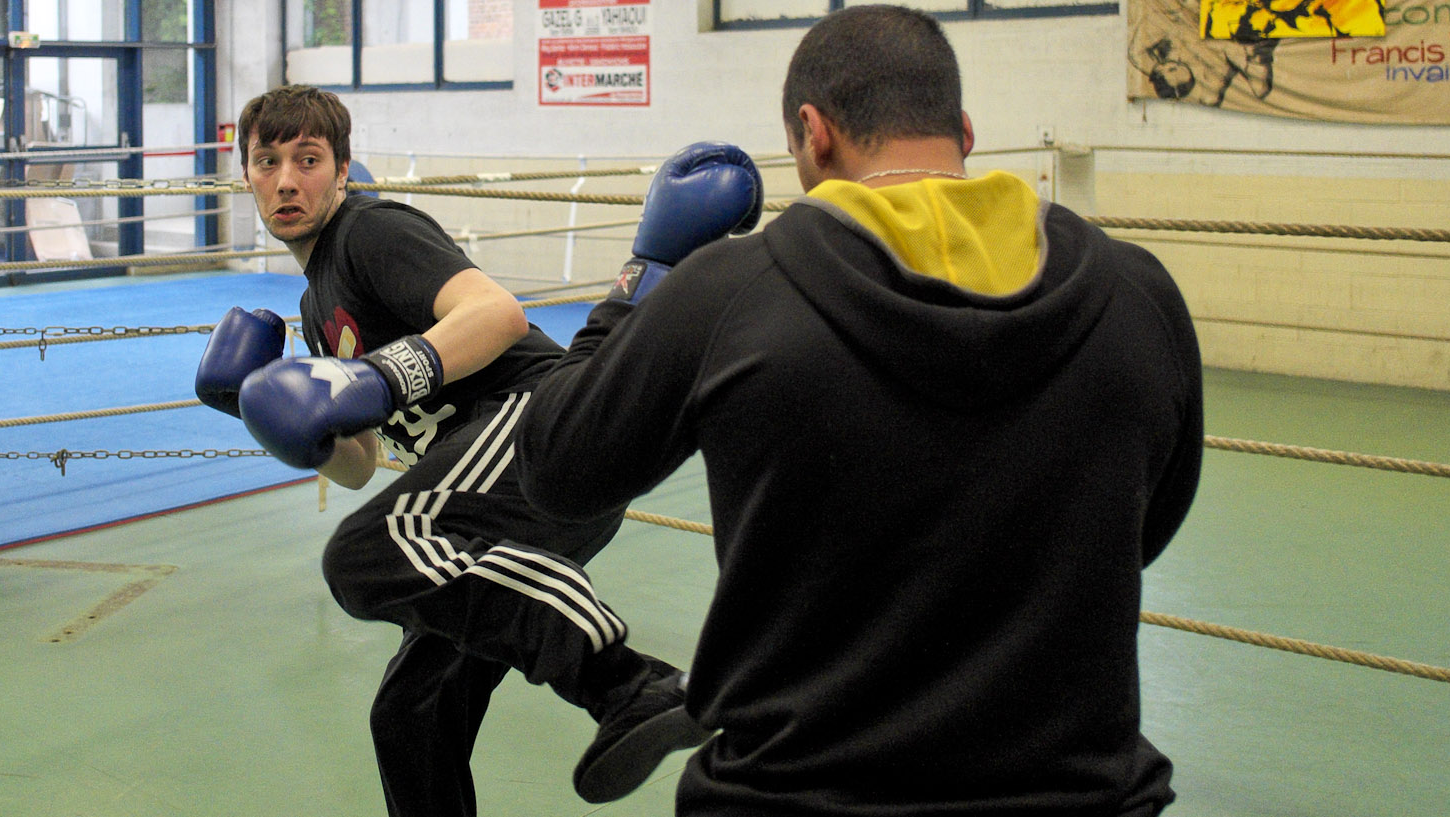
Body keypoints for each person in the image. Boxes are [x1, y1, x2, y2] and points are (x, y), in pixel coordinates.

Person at [515, 6, 1204, 815]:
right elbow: (1145, 526)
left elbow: (557, 467)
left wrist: (646, 274)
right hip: (1084, 797)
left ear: (814, 132)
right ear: (965, 132)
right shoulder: (1138, 292)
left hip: (794, 795)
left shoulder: (734, 291)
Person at [191, 85, 763, 815]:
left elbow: (495, 312)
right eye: (267, 161)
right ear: (245, 174)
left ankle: (628, 682)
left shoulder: (370, 232)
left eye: (308, 159)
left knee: (366, 553)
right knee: (410, 714)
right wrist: (274, 415)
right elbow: (361, 460)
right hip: (492, 501)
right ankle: (620, 683)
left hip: (529, 429)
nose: (286, 180)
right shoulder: (314, 305)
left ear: (341, 169)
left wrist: (376, 375)